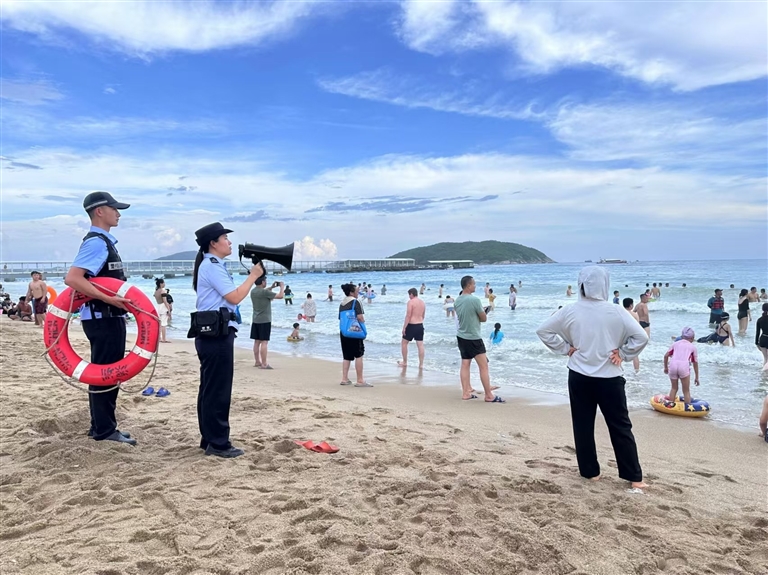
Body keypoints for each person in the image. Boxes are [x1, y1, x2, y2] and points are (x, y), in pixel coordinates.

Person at [536, 266, 649, 490]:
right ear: (605, 284)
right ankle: (634, 478)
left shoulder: (570, 310)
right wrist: (624, 354)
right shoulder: (616, 311)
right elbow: (641, 336)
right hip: (610, 378)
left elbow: (543, 331)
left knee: (583, 425)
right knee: (620, 426)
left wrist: (565, 348)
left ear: (581, 285)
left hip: (579, 376)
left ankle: (590, 473)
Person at [64, 191, 135, 445]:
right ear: (99, 211)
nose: (118, 213)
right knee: (106, 372)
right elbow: (73, 278)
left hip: (107, 316)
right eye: (114, 208)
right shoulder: (96, 242)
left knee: (106, 371)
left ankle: (102, 426)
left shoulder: (105, 242)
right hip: (102, 318)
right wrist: (108, 299)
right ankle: (104, 430)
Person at [191, 222, 263, 458]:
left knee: (210, 388)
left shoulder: (210, 265)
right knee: (218, 390)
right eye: (225, 238)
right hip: (216, 334)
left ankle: (209, 439)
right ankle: (218, 443)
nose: (229, 242)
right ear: (213, 243)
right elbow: (234, 297)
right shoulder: (212, 266)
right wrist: (253, 276)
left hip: (213, 332)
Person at [455, 276, 504, 403]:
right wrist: (484, 311)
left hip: (461, 335)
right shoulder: (475, 300)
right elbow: (483, 318)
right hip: (473, 336)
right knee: (484, 366)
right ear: (468, 285)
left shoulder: (457, 300)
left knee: (465, 364)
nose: (475, 286)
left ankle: (465, 393)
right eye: (474, 284)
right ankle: (489, 395)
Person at [250, 278, 284, 369]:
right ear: (262, 282)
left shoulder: (253, 291)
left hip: (255, 319)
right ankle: (264, 363)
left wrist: (272, 287)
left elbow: (265, 292)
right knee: (264, 341)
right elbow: (280, 296)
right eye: (265, 281)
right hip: (265, 320)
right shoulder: (264, 292)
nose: (266, 282)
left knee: (256, 341)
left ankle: (257, 361)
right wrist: (282, 287)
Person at [339, 283, 368, 387]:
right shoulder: (355, 302)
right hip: (354, 332)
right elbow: (360, 317)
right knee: (359, 354)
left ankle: (344, 379)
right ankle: (360, 380)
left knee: (346, 356)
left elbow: (341, 318)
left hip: (344, 332)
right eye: (356, 291)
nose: (357, 292)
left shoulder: (342, 303)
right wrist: (364, 325)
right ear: (351, 292)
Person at [663, 327, 699, 405]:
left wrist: (665, 367)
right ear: (692, 338)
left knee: (674, 388)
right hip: (684, 366)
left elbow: (666, 356)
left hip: (672, 365)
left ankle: (670, 404)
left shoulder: (675, 344)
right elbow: (695, 363)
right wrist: (696, 377)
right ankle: (687, 408)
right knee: (686, 390)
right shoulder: (693, 347)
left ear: (682, 336)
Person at [399, 288, 426, 368]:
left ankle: (405, 362)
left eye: (409, 295)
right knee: (420, 345)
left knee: (404, 343)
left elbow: (408, 315)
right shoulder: (422, 302)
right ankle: (421, 364)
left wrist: (404, 327)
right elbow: (423, 315)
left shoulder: (410, 302)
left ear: (411, 294)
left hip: (411, 325)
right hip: (420, 325)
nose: (409, 297)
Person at [622, 298, 641, 371]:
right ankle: (636, 370)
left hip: (623, 335)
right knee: (635, 355)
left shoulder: (621, 313)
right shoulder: (634, 315)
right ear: (631, 305)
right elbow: (638, 327)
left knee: (620, 353)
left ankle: (620, 369)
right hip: (632, 336)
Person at [154, 278, 172, 343]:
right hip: (163, 307)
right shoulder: (162, 291)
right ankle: (164, 339)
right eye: (164, 283)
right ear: (161, 284)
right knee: (164, 324)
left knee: (160, 324)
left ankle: (159, 338)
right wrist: (169, 309)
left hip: (158, 307)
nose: (164, 284)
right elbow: (165, 301)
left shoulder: (156, 291)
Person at [755, 303, 768, 371]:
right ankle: (764, 371)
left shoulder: (760, 319)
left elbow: (757, 332)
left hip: (762, 339)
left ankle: (765, 374)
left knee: (765, 358)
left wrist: (756, 343)